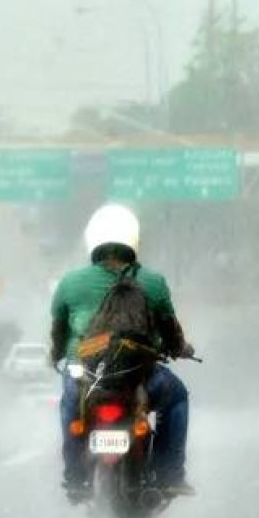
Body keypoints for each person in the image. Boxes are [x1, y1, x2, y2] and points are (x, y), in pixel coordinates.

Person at [49, 204, 195, 502]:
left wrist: (56, 356)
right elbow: (170, 330)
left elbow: (58, 331)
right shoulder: (153, 282)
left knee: (69, 405)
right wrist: (180, 349)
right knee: (177, 397)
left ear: (94, 241)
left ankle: (75, 477)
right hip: (138, 374)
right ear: (133, 241)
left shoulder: (70, 283)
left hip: (86, 375)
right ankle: (169, 475)